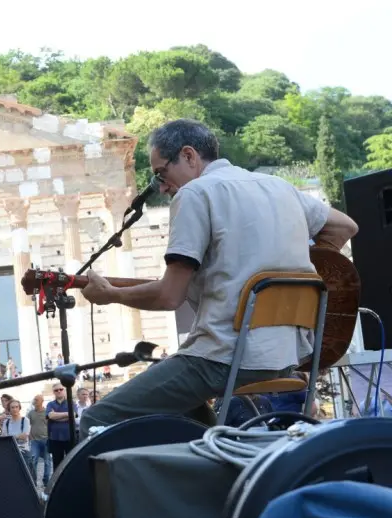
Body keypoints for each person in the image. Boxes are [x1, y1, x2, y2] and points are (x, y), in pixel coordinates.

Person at [79, 119, 358, 439]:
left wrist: (112, 294)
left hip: (223, 358)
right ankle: (218, 454)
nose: (163, 186)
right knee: (175, 400)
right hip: (286, 357)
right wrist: (298, 263)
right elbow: (344, 227)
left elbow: (169, 297)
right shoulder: (279, 187)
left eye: (160, 173)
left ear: (188, 156)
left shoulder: (196, 194)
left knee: (99, 419)